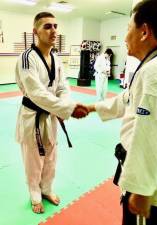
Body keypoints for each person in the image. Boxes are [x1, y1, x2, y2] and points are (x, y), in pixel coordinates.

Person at [87, 0, 157, 224]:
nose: (125, 37)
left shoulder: (156, 72)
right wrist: (93, 107)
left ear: (144, 31)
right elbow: (129, 99)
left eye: (128, 28)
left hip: (155, 191)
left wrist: (143, 189)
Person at [15, 12, 88, 214]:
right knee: (33, 160)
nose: (53, 30)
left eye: (55, 26)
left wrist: (64, 104)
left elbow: (64, 87)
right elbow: (36, 92)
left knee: (51, 157)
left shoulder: (56, 57)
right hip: (33, 116)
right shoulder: (26, 58)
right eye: (47, 26)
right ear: (35, 31)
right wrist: (66, 108)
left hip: (51, 116)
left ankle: (46, 189)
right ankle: (35, 194)